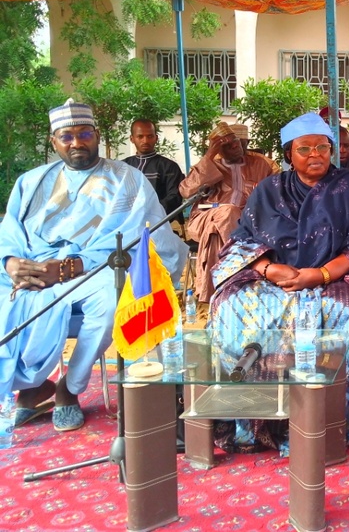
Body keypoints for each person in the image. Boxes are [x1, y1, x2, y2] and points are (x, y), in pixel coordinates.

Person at [209, 111, 349, 451]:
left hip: (336, 274)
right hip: (275, 276)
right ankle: (258, 413)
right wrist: (268, 269)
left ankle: (336, 415)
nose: (315, 155)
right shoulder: (269, 190)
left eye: (322, 147)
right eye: (305, 149)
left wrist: (323, 273)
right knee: (231, 306)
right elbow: (242, 240)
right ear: (288, 154)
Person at [0, 100, 186, 432]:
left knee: (110, 299)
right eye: (66, 136)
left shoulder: (127, 180)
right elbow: (10, 231)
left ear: (97, 135)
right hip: (32, 266)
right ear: (53, 140)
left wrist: (72, 266)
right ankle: (32, 387)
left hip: (95, 270)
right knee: (9, 295)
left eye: (84, 133)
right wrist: (13, 263)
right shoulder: (31, 182)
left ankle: (68, 388)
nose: (77, 142)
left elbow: (139, 238)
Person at [179, 122, 274, 303]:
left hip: (250, 222)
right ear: (218, 150)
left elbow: (276, 195)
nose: (234, 147)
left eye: (236, 142)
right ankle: (241, 275)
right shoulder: (210, 164)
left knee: (217, 232)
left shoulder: (262, 164)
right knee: (227, 212)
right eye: (226, 146)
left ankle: (217, 290)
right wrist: (209, 155)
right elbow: (185, 190)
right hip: (205, 218)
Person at [122, 119, 185, 226]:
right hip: (124, 223)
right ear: (132, 139)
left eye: (150, 136)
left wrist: (150, 212)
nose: (145, 141)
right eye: (140, 136)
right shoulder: (123, 166)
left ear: (156, 138)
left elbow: (174, 198)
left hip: (157, 223)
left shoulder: (169, 167)